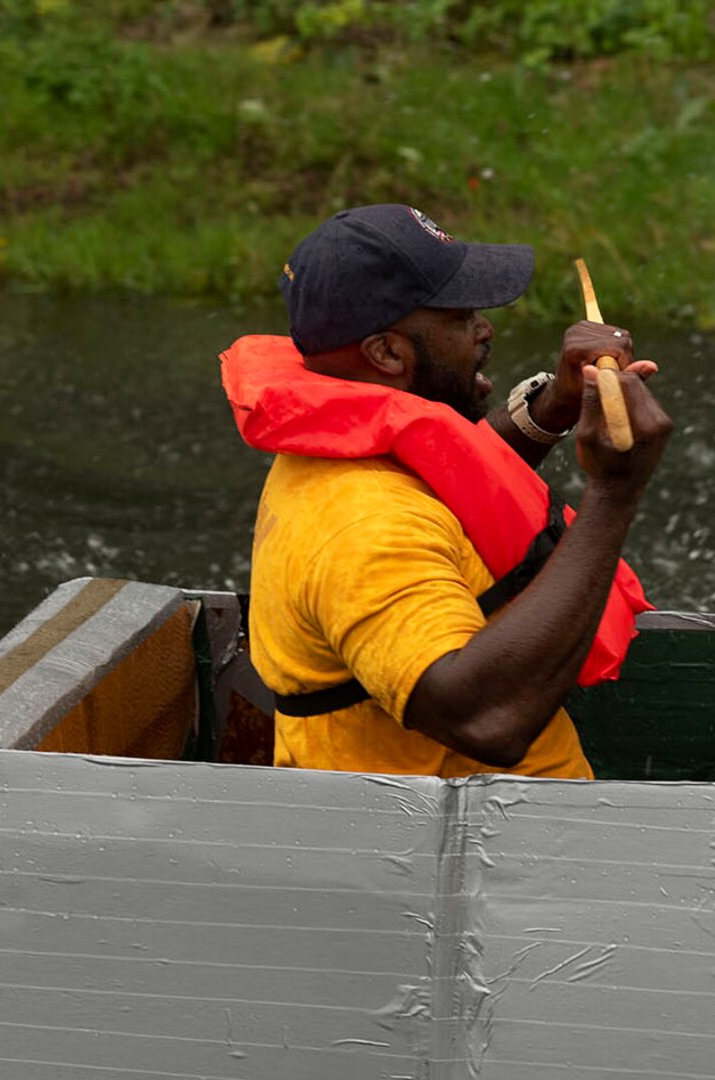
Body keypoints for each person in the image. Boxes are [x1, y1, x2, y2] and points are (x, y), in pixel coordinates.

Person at [220, 204, 671, 778]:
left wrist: (555, 405)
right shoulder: (364, 526)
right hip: (463, 858)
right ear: (386, 353)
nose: (486, 328)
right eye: (461, 316)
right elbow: (486, 722)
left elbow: (464, 475)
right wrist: (614, 493)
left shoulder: (352, 448)